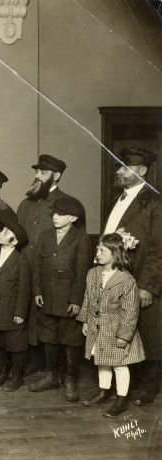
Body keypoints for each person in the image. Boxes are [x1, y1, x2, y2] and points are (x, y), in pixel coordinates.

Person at [102, 147, 162, 407]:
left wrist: (148, 286)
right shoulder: (119, 199)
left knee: (150, 333)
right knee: (126, 332)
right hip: (120, 279)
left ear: (141, 171)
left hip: (142, 282)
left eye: (123, 167)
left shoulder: (155, 201)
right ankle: (128, 385)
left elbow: (159, 248)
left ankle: (149, 387)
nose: (118, 172)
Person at [17, 154, 83, 374]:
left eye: (42, 172)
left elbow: (78, 245)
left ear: (56, 176)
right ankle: (29, 357)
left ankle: (48, 365)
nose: (37, 175)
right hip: (26, 269)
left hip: (52, 276)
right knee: (25, 312)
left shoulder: (67, 204)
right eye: (36, 171)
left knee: (47, 320)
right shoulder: (25, 204)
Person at [29, 196, 91, 402]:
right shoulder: (46, 236)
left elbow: (83, 272)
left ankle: (71, 380)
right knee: (48, 336)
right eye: (53, 213)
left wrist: (76, 300)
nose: (55, 217)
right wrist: (37, 291)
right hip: (47, 296)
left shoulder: (81, 238)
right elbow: (37, 266)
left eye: (60, 214)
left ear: (72, 218)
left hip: (68, 299)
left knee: (71, 339)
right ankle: (50, 376)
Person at [78, 233, 145, 417]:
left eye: (102, 250)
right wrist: (85, 320)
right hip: (97, 327)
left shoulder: (126, 280)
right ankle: (104, 391)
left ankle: (121, 399)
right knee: (102, 361)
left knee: (119, 365)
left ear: (115, 254)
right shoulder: (93, 273)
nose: (97, 253)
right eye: (97, 249)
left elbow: (131, 311)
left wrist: (124, 336)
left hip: (116, 330)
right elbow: (87, 299)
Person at [0, 219, 31, 391]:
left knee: (15, 345)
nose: (1, 233)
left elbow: (24, 289)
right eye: (2, 230)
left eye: (6, 232)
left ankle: (16, 376)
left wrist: (20, 312)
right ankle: (2, 370)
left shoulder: (21, 261)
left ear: (15, 241)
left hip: (11, 310)